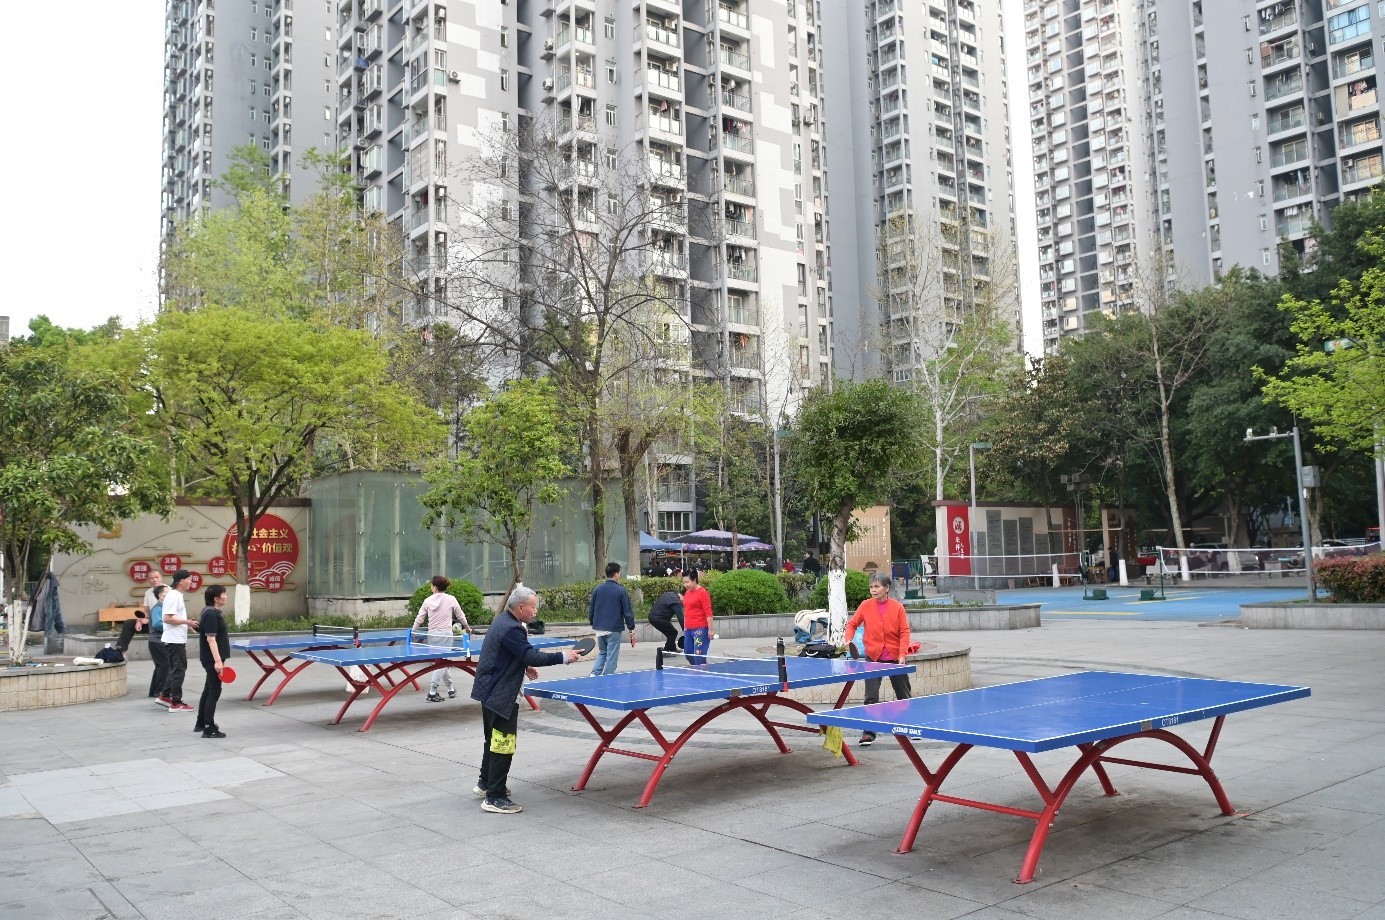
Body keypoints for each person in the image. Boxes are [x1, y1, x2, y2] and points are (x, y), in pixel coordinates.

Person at [470, 586, 583, 814]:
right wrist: (564, 656)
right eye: (533, 607)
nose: (535, 611)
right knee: (504, 743)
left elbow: (509, 654)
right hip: (500, 692)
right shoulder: (512, 628)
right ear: (520, 607)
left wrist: (524, 666)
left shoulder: (502, 621)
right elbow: (530, 654)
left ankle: (485, 783)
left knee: (492, 739)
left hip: (488, 689)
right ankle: (495, 797)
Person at [843, 572, 912, 746]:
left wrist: (902, 654)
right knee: (871, 697)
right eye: (871, 587)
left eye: (877, 586)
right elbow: (852, 624)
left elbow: (904, 632)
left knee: (904, 695)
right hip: (873, 658)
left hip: (895, 658)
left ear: (886, 588)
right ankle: (869, 732)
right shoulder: (865, 606)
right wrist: (848, 640)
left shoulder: (897, 607)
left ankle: (910, 727)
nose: (873, 590)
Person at [413, 575, 472, 702]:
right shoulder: (451, 599)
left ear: (435, 587)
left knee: (441, 661)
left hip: (432, 635)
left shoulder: (427, 601)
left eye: (431, 585)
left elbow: (420, 618)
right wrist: (467, 628)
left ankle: (450, 688)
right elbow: (460, 615)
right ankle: (432, 692)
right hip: (446, 635)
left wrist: (413, 631)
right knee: (441, 662)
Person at [159, 570, 198, 712]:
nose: (191, 582)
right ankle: (176, 703)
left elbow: (174, 617)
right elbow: (167, 618)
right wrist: (186, 622)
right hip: (174, 640)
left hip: (175, 639)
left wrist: (187, 624)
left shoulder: (176, 595)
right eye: (189, 580)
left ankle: (165, 696)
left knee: (176, 669)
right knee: (179, 670)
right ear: (181, 581)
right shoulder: (174, 595)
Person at [195, 584, 230, 738]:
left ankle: (201, 723)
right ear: (216, 598)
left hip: (211, 658)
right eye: (224, 594)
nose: (226, 596)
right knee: (214, 691)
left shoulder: (210, 611)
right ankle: (209, 728)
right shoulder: (210, 613)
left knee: (208, 689)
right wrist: (218, 661)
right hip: (212, 659)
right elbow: (211, 639)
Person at [588, 562, 635, 676]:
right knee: (612, 656)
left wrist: (594, 623)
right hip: (613, 628)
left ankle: (594, 674)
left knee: (603, 652)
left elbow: (591, 609)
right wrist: (631, 628)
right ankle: (608, 678)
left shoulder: (598, 589)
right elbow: (627, 611)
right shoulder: (620, 590)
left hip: (599, 628)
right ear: (616, 574)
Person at [681, 570, 713, 665]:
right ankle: (699, 668)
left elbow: (708, 613)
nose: (685, 585)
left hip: (700, 629)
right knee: (688, 653)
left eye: (687, 582)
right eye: (684, 582)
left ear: (694, 580)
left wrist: (711, 630)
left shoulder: (703, 593)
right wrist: (685, 627)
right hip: (688, 629)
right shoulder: (687, 593)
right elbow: (686, 611)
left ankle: (701, 669)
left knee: (699, 656)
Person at [146, 585, 169, 699]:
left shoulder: (163, 607)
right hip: (157, 641)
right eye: (167, 593)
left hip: (157, 641)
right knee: (165, 665)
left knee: (161, 666)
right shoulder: (157, 608)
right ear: (161, 596)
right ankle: (159, 691)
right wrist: (171, 625)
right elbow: (157, 624)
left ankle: (154, 691)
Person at [647, 588, 684, 653]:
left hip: (653, 616)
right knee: (672, 633)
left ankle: (672, 648)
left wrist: (653, 618)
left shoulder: (669, 594)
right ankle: (666, 650)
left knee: (671, 632)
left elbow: (661, 606)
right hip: (658, 619)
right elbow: (680, 617)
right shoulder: (676, 602)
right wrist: (685, 629)